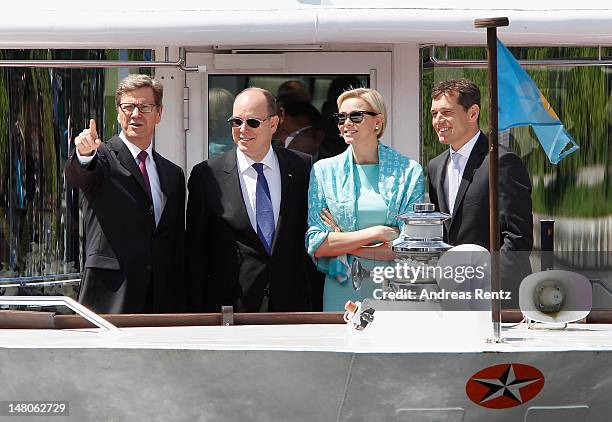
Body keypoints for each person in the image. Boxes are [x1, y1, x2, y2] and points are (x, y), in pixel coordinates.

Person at [64, 74, 185, 314]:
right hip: (112, 296)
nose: (135, 114)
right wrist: (83, 154)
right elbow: (79, 175)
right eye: (128, 107)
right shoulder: (102, 157)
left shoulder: (173, 174)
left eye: (144, 107)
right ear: (119, 113)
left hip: (163, 298)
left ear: (159, 113)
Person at [186, 87, 313, 312]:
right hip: (231, 309)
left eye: (252, 122)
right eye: (236, 122)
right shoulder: (207, 175)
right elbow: (196, 253)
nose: (242, 130)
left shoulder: (302, 168)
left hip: (292, 307)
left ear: (273, 124)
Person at [306, 88, 425, 311]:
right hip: (341, 289)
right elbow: (317, 243)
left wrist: (343, 242)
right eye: (341, 117)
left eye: (356, 116)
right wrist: (376, 233)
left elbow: (407, 246)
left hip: (394, 288)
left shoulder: (409, 171)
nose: (346, 123)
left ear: (377, 122)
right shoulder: (324, 171)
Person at [427, 78, 533, 305]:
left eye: (446, 112)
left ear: (473, 113)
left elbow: (517, 238)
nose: (438, 120)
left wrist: (487, 288)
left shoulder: (502, 162)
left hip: (498, 300)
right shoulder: (435, 167)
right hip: (452, 296)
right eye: (434, 113)